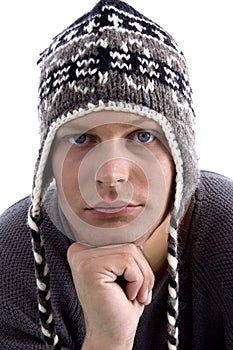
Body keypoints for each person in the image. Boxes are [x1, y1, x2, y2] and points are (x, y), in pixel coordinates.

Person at [0, 0, 232, 349]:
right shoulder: (12, 264)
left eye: (143, 136)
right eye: (81, 138)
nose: (111, 175)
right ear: (48, 162)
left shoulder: (226, 235)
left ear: (179, 155)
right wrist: (108, 339)